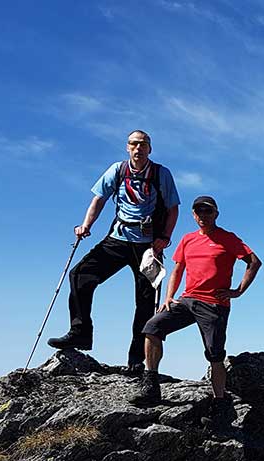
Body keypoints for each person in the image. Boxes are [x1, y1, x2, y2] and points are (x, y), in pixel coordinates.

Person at [48, 130, 180, 371]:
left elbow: (173, 208)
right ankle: (80, 333)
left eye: (143, 144)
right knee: (80, 275)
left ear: (150, 149)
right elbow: (99, 199)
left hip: (149, 246)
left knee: (146, 302)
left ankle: (137, 361)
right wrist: (86, 225)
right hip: (118, 238)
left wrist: (164, 238)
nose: (138, 148)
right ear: (127, 148)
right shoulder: (118, 170)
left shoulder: (161, 173)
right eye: (133, 144)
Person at [132, 196, 261, 406]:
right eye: (198, 211)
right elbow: (178, 269)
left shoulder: (227, 238)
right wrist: (168, 297)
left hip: (214, 304)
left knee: (215, 354)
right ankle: (151, 385)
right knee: (152, 327)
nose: (203, 215)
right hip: (187, 300)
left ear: (216, 214)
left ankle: (220, 403)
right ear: (193, 215)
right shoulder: (187, 239)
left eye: (207, 211)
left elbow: (254, 262)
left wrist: (237, 291)